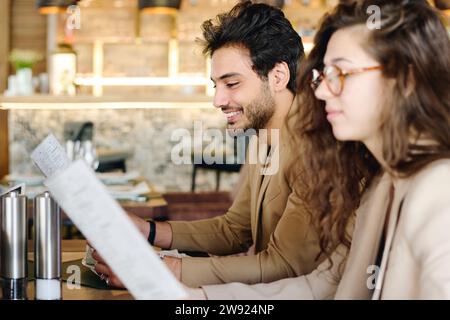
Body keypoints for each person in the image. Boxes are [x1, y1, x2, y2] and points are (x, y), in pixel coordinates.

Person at [191, 0, 450, 299]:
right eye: (324, 75)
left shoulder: (438, 190)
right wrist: (195, 299)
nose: (322, 90)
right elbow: (319, 286)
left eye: (342, 73)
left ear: (406, 78)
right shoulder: (382, 184)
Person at [93, 1, 323, 288]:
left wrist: (167, 269)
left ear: (278, 76)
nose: (218, 100)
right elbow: (234, 230)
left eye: (232, 83)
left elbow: (285, 266)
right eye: (216, 85)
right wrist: (148, 231)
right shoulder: (263, 138)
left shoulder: (318, 150)